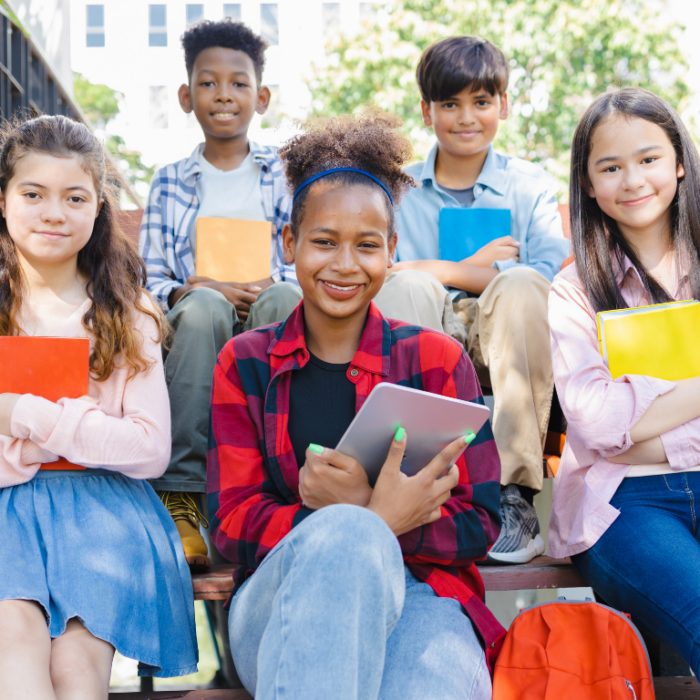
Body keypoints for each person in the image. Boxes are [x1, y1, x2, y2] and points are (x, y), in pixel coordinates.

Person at [207, 111, 504, 700]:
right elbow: (231, 524)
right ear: (289, 242)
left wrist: (366, 512)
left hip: (424, 593)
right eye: (323, 242)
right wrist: (364, 523)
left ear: (391, 250)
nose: (345, 265)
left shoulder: (437, 359)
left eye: (367, 245)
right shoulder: (245, 361)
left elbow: (480, 520)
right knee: (344, 535)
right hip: (283, 594)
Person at [0, 116, 197, 700]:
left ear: (97, 208)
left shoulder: (124, 310)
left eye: (74, 197)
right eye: (33, 194)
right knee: (15, 653)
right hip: (8, 511)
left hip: (102, 517)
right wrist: (72, 434)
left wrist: (25, 417)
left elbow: (148, 448)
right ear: (4, 200)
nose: (53, 212)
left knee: (77, 674)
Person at [386, 35, 570, 564]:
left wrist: (446, 269)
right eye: (450, 104)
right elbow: (391, 273)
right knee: (408, 288)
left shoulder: (528, 184)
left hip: (506, 331)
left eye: (482, 102)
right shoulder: (400, 190)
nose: (466, 118)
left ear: (503, 106)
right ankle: (416, 474)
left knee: (519, 286)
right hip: (432, 327)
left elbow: (539, 276)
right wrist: (473, 268)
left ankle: (513, 494)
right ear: (427, 111)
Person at [140, 19, 302, 568]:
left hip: (267, 310)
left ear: (261, 96)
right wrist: (192, 286)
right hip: (197, 323)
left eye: (237, 83)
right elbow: (150, 278)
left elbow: (305, 259)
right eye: (208, 83)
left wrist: (271, 283)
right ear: (187, 97)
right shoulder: (169, 180)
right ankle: (183, 496)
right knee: (205, 306)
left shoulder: (284, 174)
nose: (223, 95)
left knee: (283, 302)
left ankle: (277, 480)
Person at [549, 87, 700, 675]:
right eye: (610, 167)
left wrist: (650, 429)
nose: (632, 180)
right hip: (623, 503)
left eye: (648, 159)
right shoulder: (574, 289)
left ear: (680, 161)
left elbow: (623, 424)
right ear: (588, 184)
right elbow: (594, 420)